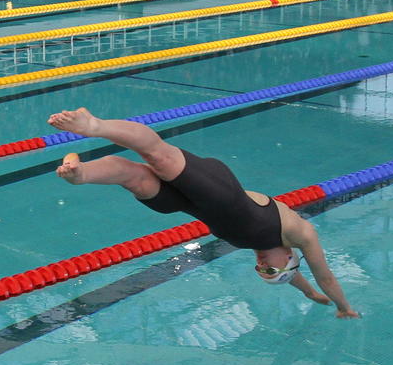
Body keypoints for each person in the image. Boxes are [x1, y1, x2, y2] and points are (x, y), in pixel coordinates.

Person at [48, 107, 358, 317]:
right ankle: (94, 125)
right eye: (270, 270)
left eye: (262, 273)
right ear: (291, 259)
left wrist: (309, 295)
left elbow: (291, 276)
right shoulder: (298, 233)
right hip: (218, 190)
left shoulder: (268, 251)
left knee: (135, 179)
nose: (262, 266)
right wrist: (342, 306)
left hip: (188, 205)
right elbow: (324, 277)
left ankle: (79, 173)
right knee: (159, 156)